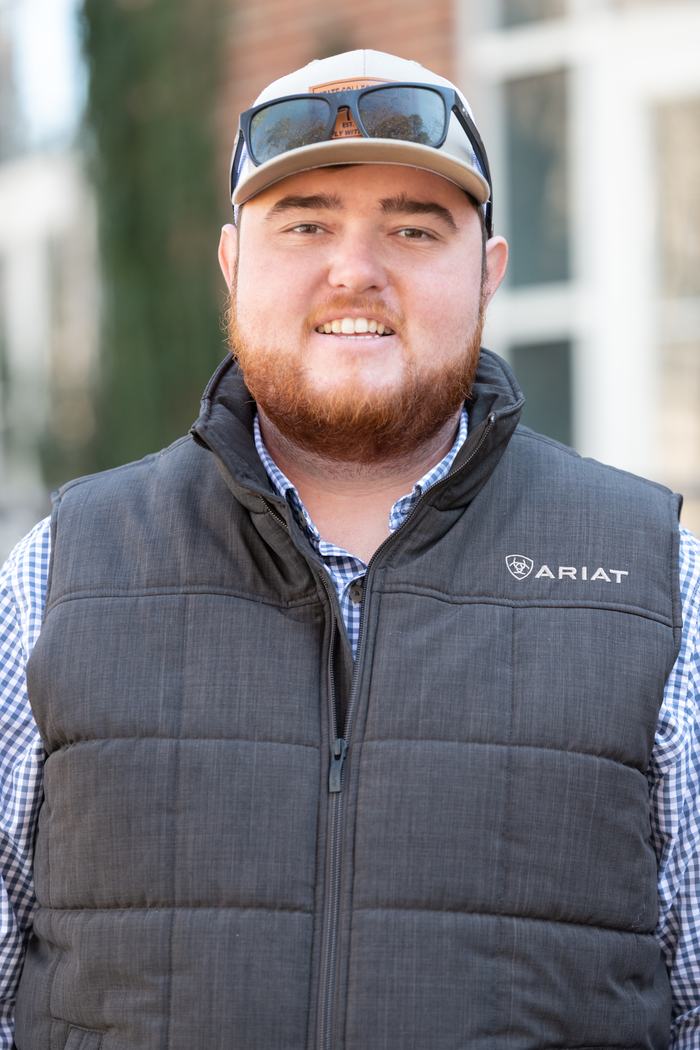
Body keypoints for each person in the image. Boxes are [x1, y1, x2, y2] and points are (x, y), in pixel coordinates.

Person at [0, 47, 698, 1050]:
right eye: (307, 224)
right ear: (234, 265)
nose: (356, 270)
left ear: (489, 272)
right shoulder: (61, 575)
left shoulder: (652, 580)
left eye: (415, 228)